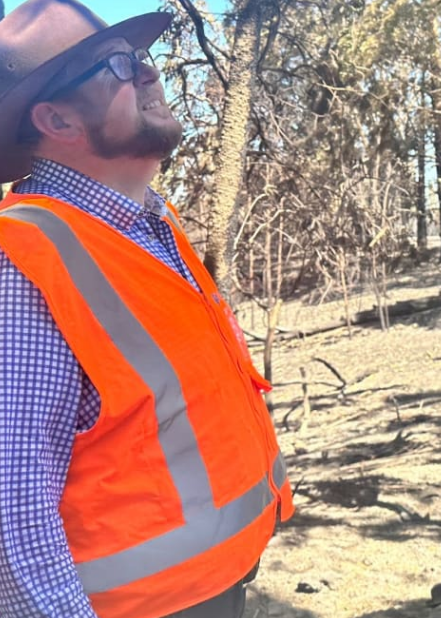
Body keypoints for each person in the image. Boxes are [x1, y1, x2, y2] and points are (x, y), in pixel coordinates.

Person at [0, 1, 295, 617]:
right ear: (55, 118)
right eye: (118, 65)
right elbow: (12, 517)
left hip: (217, 583)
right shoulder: (22, 266)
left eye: (142, 59)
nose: (148, 74)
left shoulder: (152, 226)